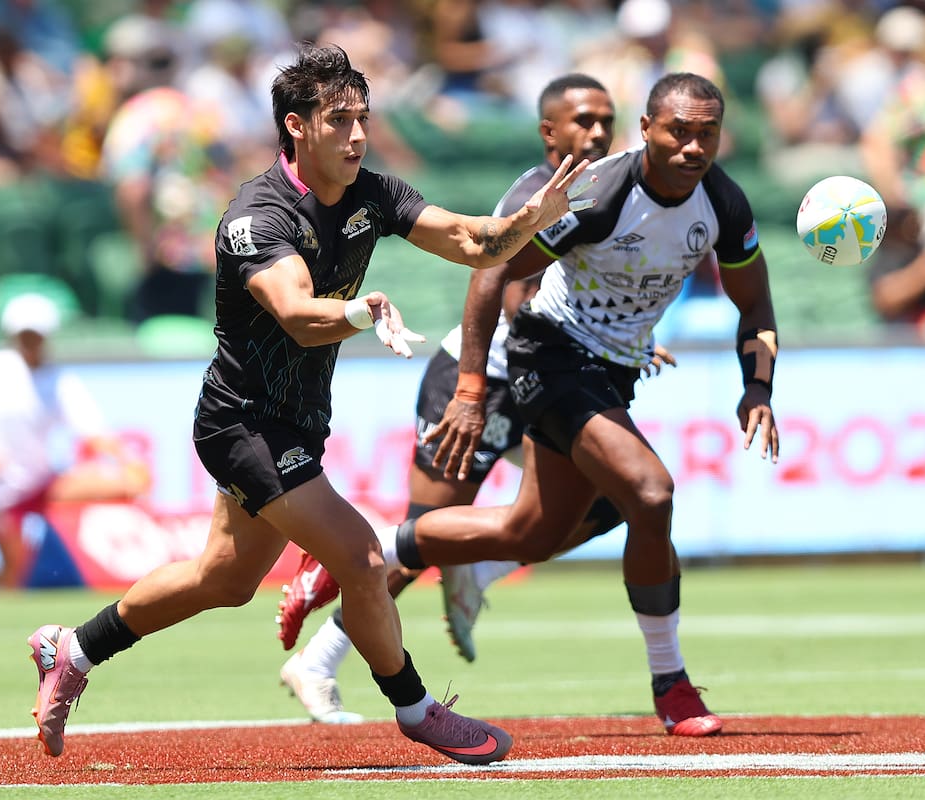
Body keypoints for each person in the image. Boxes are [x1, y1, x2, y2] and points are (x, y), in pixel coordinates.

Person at [25, 43, 591, 765]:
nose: (358, 134)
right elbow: (295, 310)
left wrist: (531, 220)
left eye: (363, 117)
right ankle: (417, 710)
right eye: (339, 120)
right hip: (242, 424)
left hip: (293, 421)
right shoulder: (256, 217)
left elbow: (474, 243)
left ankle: (72, 649)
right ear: (296, 126)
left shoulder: (371, 194)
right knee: (358, 556)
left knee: (224, 580)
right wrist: (361, 312)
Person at [370, 72, 780, 738]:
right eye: (679, 131)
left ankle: (373, 544)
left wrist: (757, 388)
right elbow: (494, 267)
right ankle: (672, 684)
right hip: (547, 354)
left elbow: (755, 303)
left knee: (530, 533)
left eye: (706, 133)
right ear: (646, 130)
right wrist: (472, 389)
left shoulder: (723, 204)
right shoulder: (598, 193)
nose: (693, 147)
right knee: (648, 494)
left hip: (612, 372)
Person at [274, 73, 678, 724]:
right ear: (551, 133)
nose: (598, 131)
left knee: (617, 499)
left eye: (606, 119)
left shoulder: (617, 192)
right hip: (483, 382)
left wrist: (623, 338)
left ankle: (478, 572)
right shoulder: (536, 194)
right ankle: (316, 661)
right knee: (416, 542)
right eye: (583, 120)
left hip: (541, 385)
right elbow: (515, 297)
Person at [0, 293, 150, 599]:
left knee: (124, 484)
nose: (29, 342)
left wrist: (128, 462)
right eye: (24, 335)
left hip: (43, 484)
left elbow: (94, 433)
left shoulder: (58, 379)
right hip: (2, 494)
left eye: (35, 335)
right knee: (13, 581)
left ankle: (114, 564)